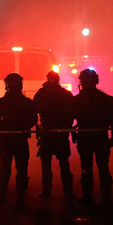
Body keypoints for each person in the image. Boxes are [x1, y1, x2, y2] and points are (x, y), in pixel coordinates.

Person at [71, 68, 113, 206]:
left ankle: (88, 197)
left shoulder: (77, 100)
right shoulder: (106, 99)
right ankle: (106, 199)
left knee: (87, 168)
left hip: (85, 138)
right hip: (100, 138)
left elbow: (69, 120)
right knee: (103, 168)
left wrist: (73, 133)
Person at [0, 73, 38, 206]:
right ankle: (18, 194)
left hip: (10, 139)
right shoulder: (26, 102)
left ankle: (4, 194)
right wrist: (22, 127)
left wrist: (6, 127)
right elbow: (33, 119)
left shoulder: (2, 102)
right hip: (18, 139)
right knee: (20, 168)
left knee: (7, 167)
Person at [32, 71, 75, 199]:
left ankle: (47, 189)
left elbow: (35, 110)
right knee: (63, 163)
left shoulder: (42, 94)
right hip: (61, 134)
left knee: (46, 163)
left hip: (47, 132)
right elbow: (72, 113)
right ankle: (68, 190)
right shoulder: (66, 94)